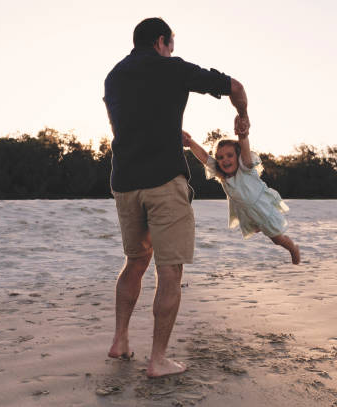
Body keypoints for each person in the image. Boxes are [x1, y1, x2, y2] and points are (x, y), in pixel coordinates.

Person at [103, 17, 250, 377]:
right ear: (161, 41)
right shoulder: (173, 68)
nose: (172, 49)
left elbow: (118, 124)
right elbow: (234, 86)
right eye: (171, 43)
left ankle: (120, 341)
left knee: (135, 261)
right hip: (164, 181)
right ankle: (158, 360)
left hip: (124, 182)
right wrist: (242, 116)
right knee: (169, 271)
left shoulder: (114, 76)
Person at [183, 130, 300, 264]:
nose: (224, 160)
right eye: (220, 157)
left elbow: (244, 147)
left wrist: (242, 135)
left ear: (238, 156)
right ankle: (257, 225)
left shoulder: (245, 168)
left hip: (262, 208)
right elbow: (204, 157)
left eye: (229, 155)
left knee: (277, 239)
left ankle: (293, 248)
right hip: (246, 212)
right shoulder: (222, 176)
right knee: (261, 229)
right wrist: (190, 143)